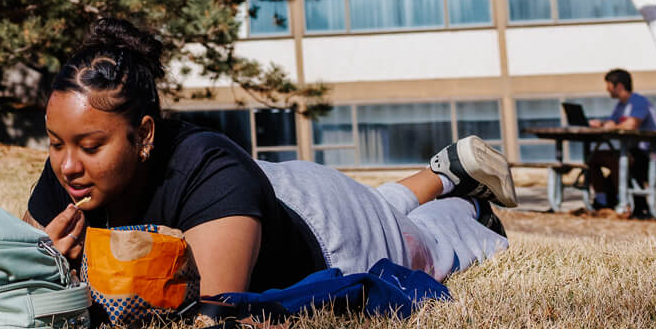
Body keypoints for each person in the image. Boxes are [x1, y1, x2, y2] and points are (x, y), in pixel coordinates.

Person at [25, 19, 514, 297]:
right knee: (382, 204)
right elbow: (12, 269)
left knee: (423, 246)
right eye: (56, 142)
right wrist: (41, 263)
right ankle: (445, 172)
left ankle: (469, 208)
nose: (67, 165)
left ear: (144, 135)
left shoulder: (206, 169)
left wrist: (67, 285)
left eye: (91, 146)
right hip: (264, 196)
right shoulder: (70, 172)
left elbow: (212, 315)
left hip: (328, 229)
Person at [583, 68, 656, 216]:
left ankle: (626, 204)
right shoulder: (621, 105)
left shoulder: (638, 101)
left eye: (608, 85)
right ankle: (601, 201)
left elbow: (631, 124)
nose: (607, 89)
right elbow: (612, 123)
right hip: (630, 152)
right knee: (593, 158)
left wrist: (612, 126)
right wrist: (602, 124)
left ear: (619, 86)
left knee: (618, 161)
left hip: (650, 155)